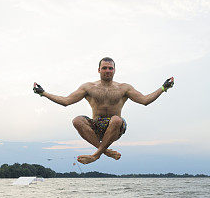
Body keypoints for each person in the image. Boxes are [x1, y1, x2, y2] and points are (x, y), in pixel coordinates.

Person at [33, 57, 174, 164]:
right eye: (105, 68)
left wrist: (163, 88)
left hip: (116, 128)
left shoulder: (124, 88)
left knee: (116, 119)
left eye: (110, 68)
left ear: (114, 70)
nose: (108, 71)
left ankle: (95, 155)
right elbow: (66, 101)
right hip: (96, 127)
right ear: (99, 70)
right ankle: (105, 151)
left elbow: (145, 100)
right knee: (77, 120)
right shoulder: (88, 87)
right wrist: (43, 93)